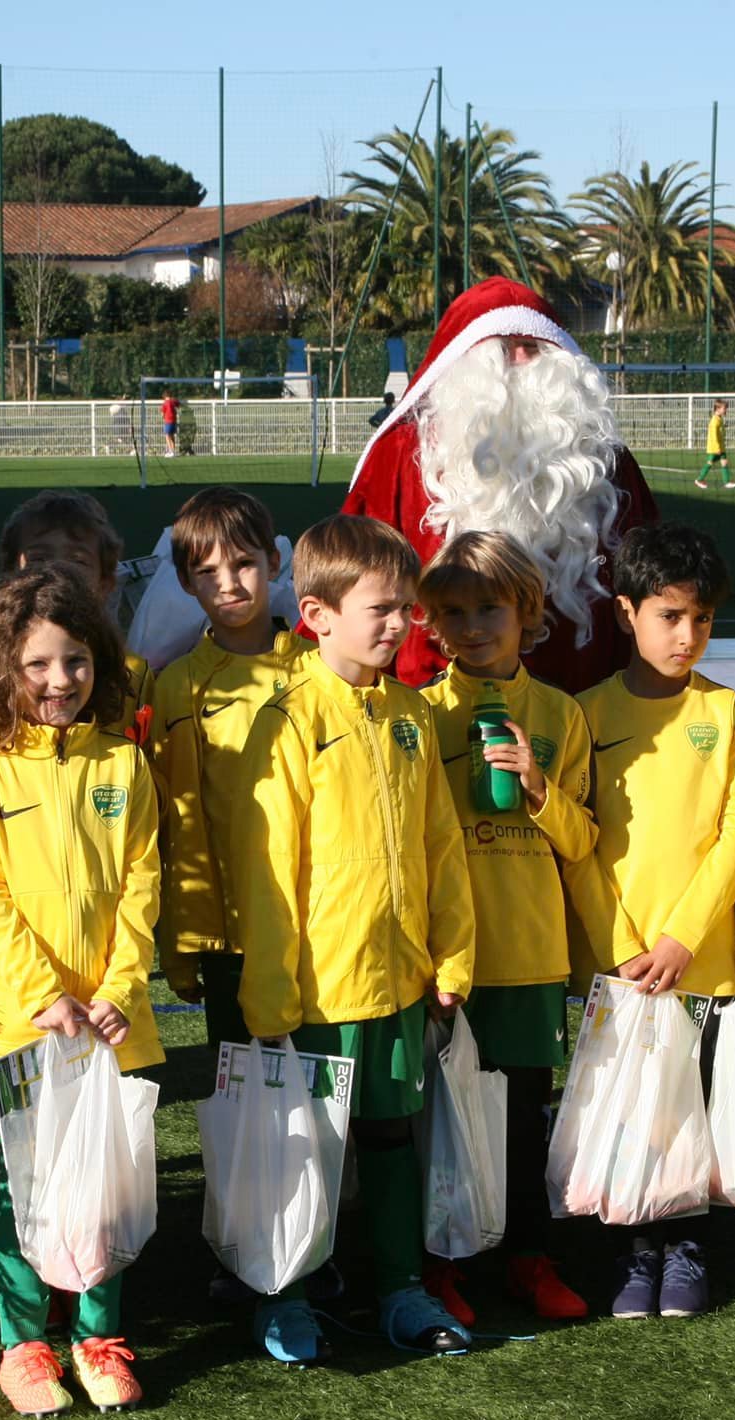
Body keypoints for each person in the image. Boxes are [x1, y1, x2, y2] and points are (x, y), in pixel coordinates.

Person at [232, 514, 476, 1364]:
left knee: (390, 1140)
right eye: (382, 608)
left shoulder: (409, 715)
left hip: (401, 981)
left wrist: (452, 957)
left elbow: (440, 846)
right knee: (305, 1152)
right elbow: (266, 874)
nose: (400, 624)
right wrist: (271, 994)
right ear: (316, 616)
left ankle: (400, 1290)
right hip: (317, 990)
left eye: (407, 608)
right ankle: (285, 1293)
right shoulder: (289, 719)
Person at [0, 566, 164, 1417]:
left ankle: (99, 1337)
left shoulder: (122, 761)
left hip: (109, 1022)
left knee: (104, 1186)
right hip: (20, 1024)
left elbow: (143, 881)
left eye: (75, 662)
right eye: (37, 665)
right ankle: (26, 1343)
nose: (59, 681)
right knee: (19, 1189)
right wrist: (44, 993)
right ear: (4, 668)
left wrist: (117, 986)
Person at [562, 521, 735, 1321]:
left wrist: (683, 937)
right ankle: (630, 1249)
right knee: (621, 1110)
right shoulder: (585, 714)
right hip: (614, 964)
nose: (689, 636)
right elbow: (575, 843)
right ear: (626, 613)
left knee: (689, 1108)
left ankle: (684, 1244)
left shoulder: (731, 715)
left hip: (698, 960)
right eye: (670, 616)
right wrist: (621, 949)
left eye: (702, 619)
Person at [417, 530, 598, 1325]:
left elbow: (584, 840)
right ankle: (443, 1265)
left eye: (490, 607)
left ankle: (528, 1258)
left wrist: (537, 789)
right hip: (445, 957)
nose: (472, 626)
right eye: (452, 612)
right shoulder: (418, 714)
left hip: (529, 955)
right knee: (445, 1119)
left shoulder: (560, 714)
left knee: (523, 1118)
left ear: (529, 611)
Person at [343, 276, 659, 693]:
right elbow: (350, 571)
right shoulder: (400, 453)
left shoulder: (605, 461)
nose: (523, 358)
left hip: (581, 705)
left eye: (537, 346)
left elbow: (653, 576)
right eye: (505, 347)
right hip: (430, 706)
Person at [148, 487, 309, 1053]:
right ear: (187, 583)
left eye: (244, 563)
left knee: (326, 1096)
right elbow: (177, 823)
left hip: (317, 920)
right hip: (231, 936)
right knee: (244, 1102)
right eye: (208, 571)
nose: (230, 582)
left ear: (274, 563)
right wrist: (183, 939)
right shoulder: (176, 687)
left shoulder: (319, 671)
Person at [0, 490, 152, 836]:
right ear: (8, 575)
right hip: (1, 865)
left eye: (77, 561)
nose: (57, 570)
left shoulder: (134, 672)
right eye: (38, 558)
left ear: (107, 581)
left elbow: (151, 773)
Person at [694, 399, 735, 489]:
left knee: (724, 462)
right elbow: (713, 436)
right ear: (718, 409)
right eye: (724, 408)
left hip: (720, 446)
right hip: (715, 448)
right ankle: (699, 479)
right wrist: (717, 448)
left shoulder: (719, 419)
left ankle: (727, 482)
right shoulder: (714, 420)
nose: (726, 410)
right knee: (710, 463)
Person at [161, 391, 180, 457]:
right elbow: (178, 404)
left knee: (167, 436)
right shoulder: (173, 401)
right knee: (172, 436)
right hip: (174, 421)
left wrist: (163, 416)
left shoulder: (165, 403)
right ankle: (173, 451)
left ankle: (170, 451)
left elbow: (162, 413)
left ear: (164, 397)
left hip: (168, 421)